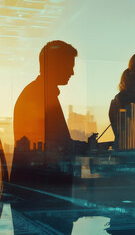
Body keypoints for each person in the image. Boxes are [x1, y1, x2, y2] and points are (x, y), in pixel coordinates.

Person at [10, 40, 85, 234]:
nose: (72, 73)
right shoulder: (42, 96)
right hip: (42, 196)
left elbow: (58, 142)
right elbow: (59, 146)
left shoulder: (37, 92)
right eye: (69, 66)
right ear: (55, 65)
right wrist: (88, 149)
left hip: (33, 192)